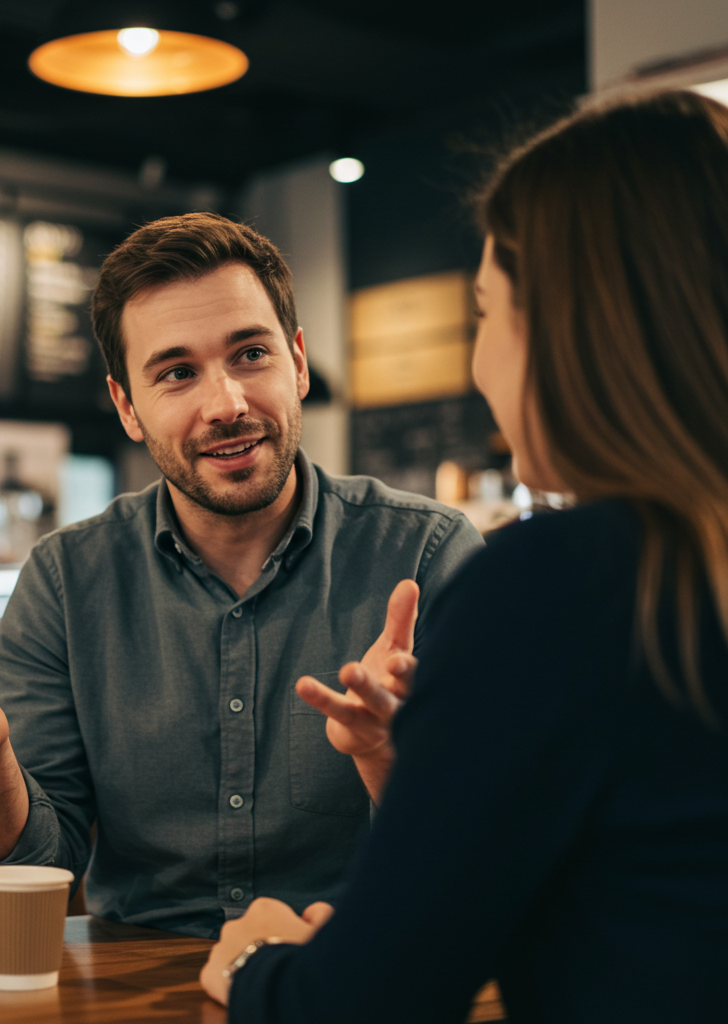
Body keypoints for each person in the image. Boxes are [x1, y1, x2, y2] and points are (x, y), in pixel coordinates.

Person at [201, 90, 728, 1021]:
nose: (482, 361)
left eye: (487, 311)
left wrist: (254, 964)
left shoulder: (562, 584)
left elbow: (367, 1002)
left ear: (574, 329)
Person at [0, 213, 482, 938]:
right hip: (135, 986)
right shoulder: (66, 581)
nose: (225, 404)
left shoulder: (428, 555)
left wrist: (393, 751)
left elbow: (489, 850)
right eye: (177, 373)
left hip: (366, 975)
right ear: (128, 407)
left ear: (297, 361)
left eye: (250, 354)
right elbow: (36, 866)